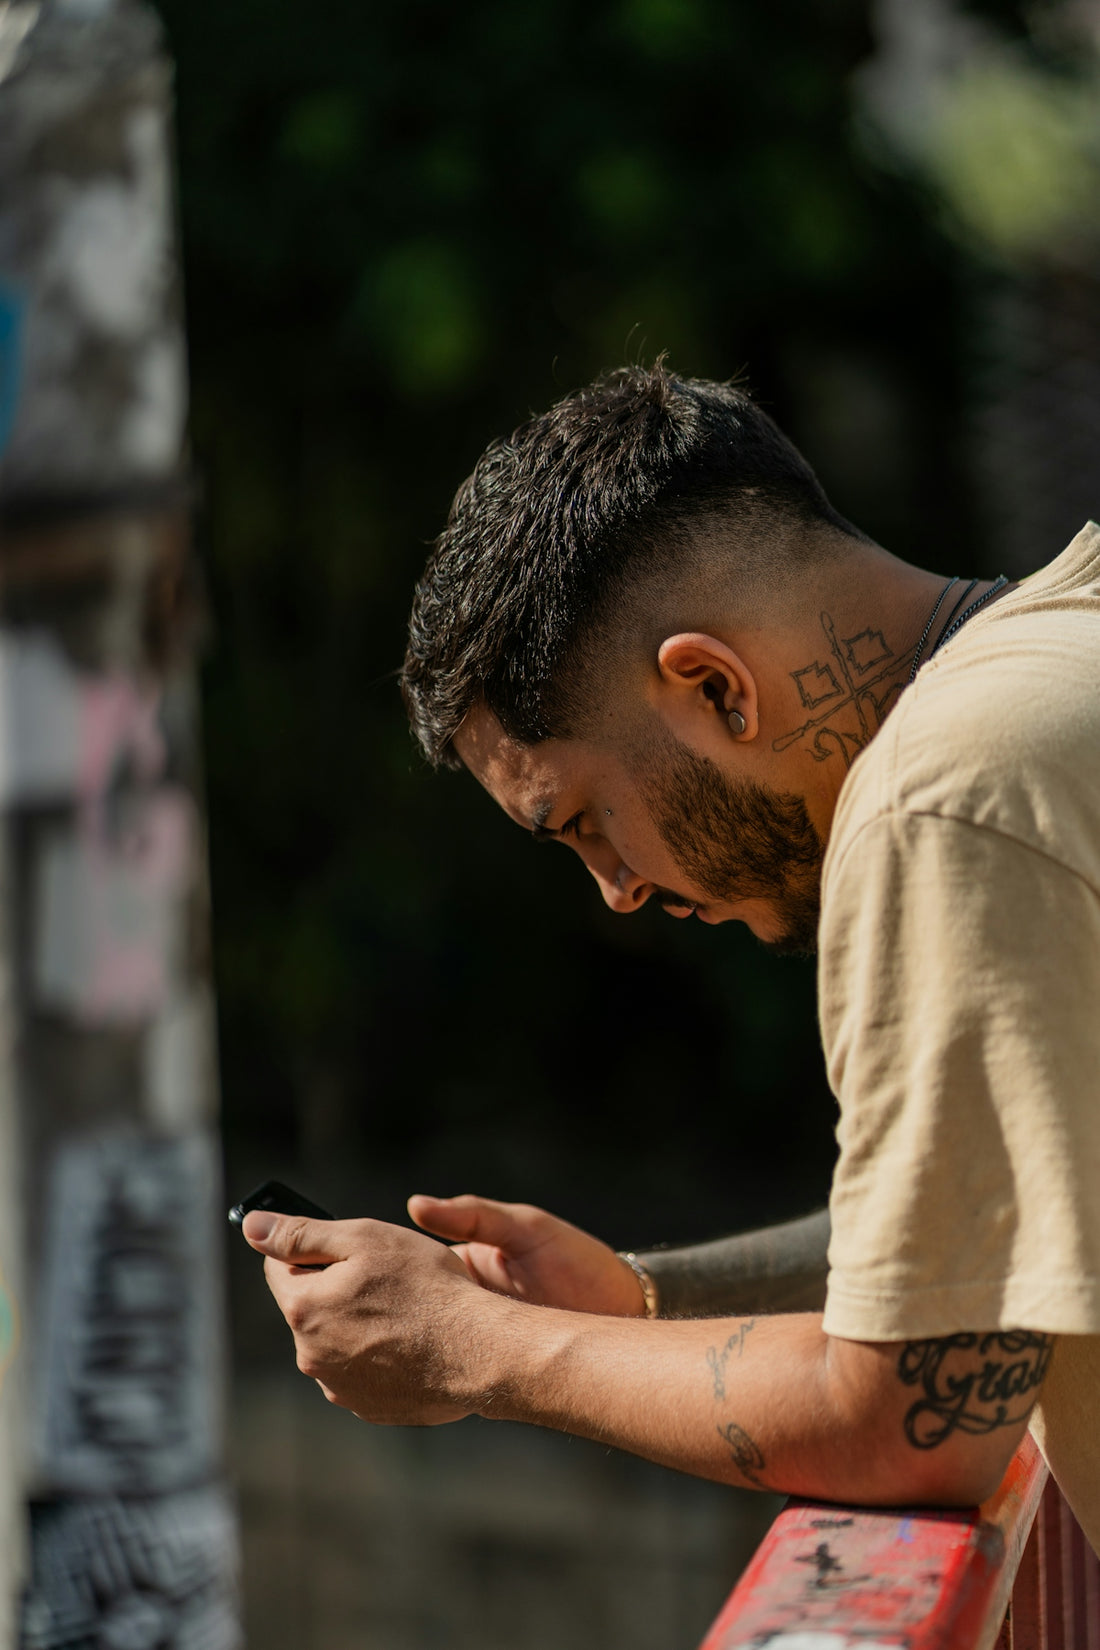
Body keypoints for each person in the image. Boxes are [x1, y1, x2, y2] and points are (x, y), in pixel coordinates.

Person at [242, 363, 1100, 1544]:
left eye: (584, 820)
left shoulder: (941, 802)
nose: (614, 890)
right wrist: (642, 1300)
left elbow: (910, 1422)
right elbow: (995, 1232)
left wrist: (477, 1348)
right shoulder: (1060, 670)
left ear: (710, 687)